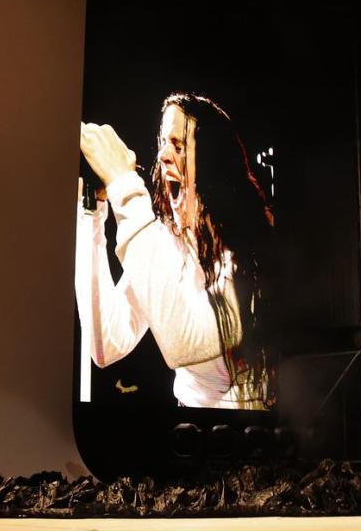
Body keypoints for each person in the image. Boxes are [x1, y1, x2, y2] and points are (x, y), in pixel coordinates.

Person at [74, 93, 275, 409]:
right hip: (189, 426)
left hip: (248, 431)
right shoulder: (171, 239)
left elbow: (186, 341)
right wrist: (92, 211)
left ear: (212, 166)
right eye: (162, 142)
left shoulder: (248, 247)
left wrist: (124, 185)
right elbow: (107, 345)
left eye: (179, 146)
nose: (164, 155)